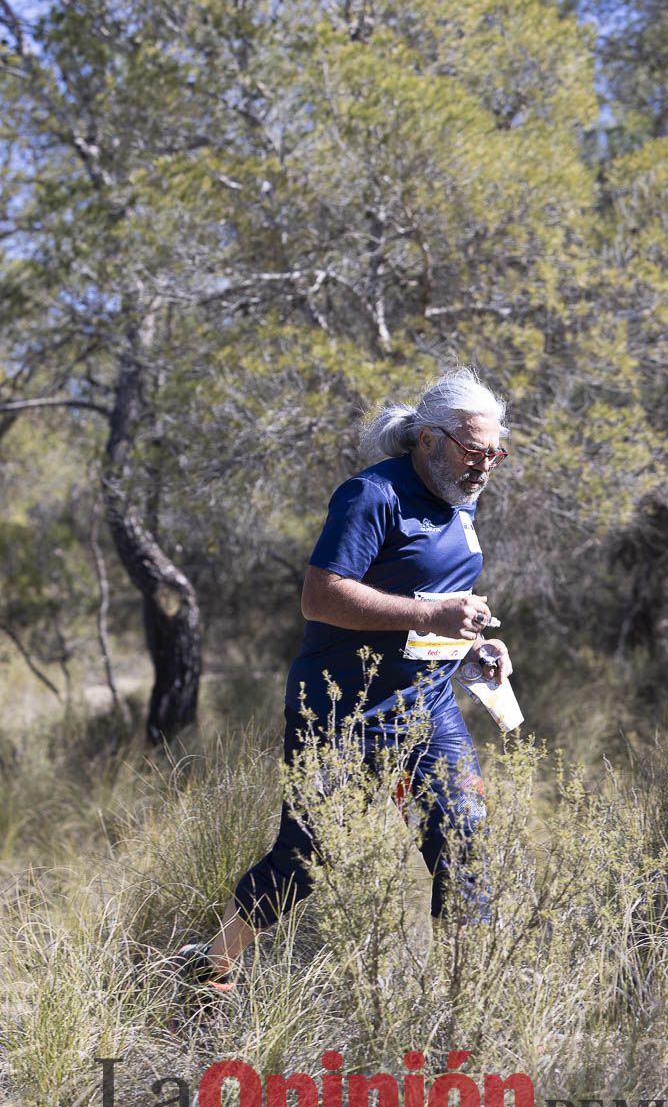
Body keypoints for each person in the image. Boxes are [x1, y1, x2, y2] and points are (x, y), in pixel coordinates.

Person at [173, 367, 513, 991]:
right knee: (305, 860)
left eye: (496, 451)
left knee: (463, 840)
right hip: (341, 713)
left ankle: (465, 1009)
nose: (485, 464)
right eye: (473, 448)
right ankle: (211, 969)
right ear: (428, 439)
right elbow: (320, 597)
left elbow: (434, 601)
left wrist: (470, 646)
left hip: (427, 708)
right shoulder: (371, 496)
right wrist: (431, 612)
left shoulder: (462, 505)